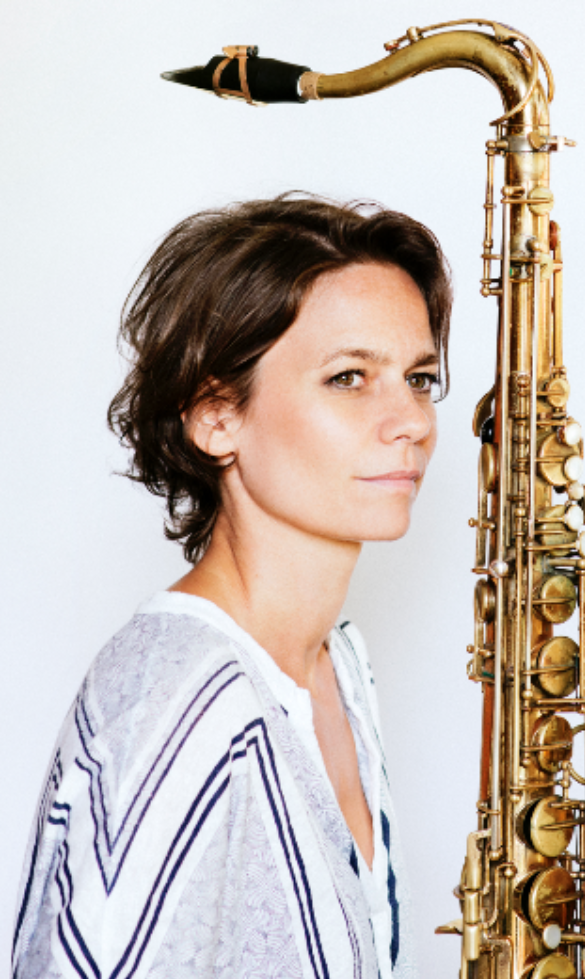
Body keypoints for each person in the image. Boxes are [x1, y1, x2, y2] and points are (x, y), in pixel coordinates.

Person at [12, 194, 452, 979]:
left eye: (418, 378)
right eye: (348, 377)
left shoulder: (339, 667)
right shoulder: (176, 698)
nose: (411, 421)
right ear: (216, 417)